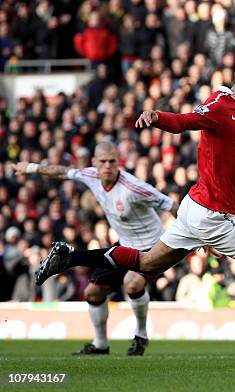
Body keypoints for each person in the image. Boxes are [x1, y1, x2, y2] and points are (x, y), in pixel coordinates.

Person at [35, 57, 235, 367]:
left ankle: (70, 258)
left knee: (146, 261)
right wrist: (157, 117)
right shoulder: (221, 106)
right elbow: (185, 121)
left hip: (196, 210)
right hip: (213, 215)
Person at [12, 141, 177, 356]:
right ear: (94, 163)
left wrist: (197, 236)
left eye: (112, 162)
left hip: (151, 247)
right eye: (103, 162)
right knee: (93, 292)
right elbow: (62, 171)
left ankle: (141, 336)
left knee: (132, 283)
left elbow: (172, 205)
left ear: (119, 162)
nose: (108, 166)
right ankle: (100, 345)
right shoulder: (89, 176)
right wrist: (31, 168)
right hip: (125, 244)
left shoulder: (133, 187)